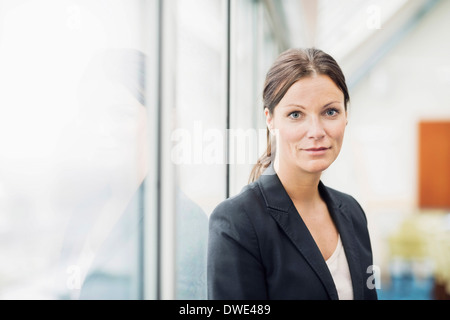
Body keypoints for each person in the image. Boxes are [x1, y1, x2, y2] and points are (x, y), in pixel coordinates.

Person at [207, 48, 378, 300]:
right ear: (270, 119)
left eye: (330, 112)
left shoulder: (352, 212)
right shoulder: (236, 223)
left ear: (346, 114)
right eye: (295, 115)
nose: (316, 131)